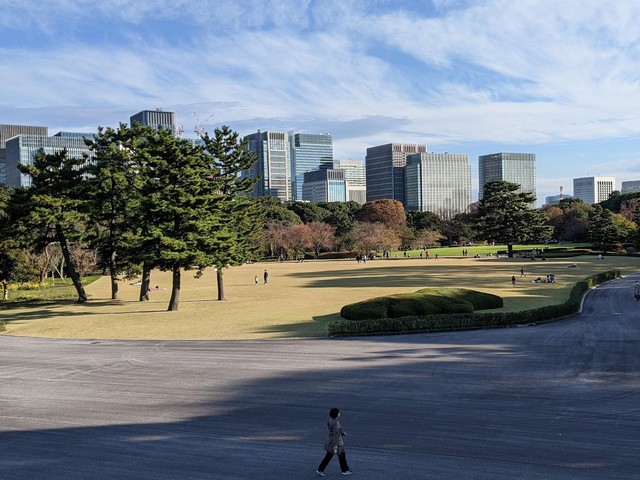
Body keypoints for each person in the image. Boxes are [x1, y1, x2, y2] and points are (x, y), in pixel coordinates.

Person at [317, 408, 352, 476]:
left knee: (330, 456)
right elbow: (336, 435)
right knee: (339, 456)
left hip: (331, 441)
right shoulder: (336, 424)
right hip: (337, 443)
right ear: (336, 414)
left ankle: (320, 469)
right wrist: (335, 446)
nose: (339, 413)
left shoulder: (331, 420)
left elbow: (334, 431)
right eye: (338, 412)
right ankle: (345, 470)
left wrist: (342, 433)